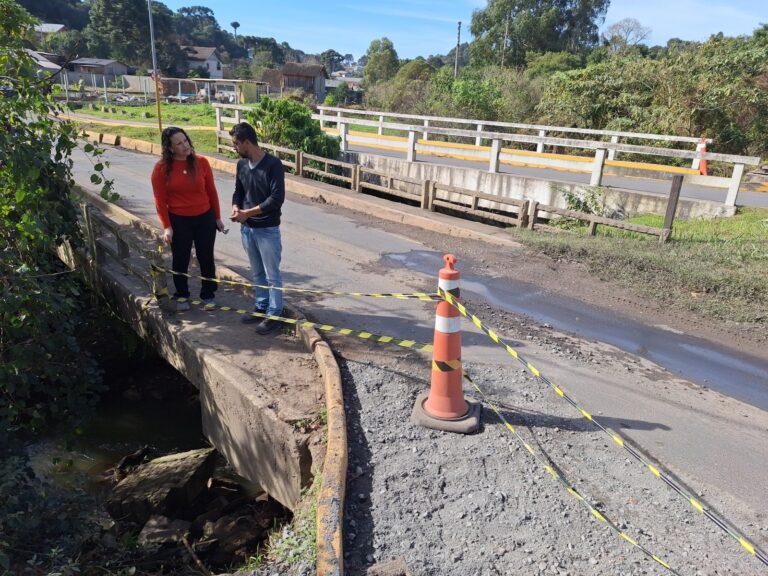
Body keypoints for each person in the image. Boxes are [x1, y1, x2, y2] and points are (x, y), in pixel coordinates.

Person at [151, 126, 225, 311]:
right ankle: (182, 295)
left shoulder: (201, 162)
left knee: (206, 257)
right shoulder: (161, 169)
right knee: (180, 259)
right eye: (179, 143)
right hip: (179, 220)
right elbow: (160, 200)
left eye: (185, 141)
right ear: (170, 148)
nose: (185, 145)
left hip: (205, 218)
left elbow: (211, 191)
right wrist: (167, 226)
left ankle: (208, 294)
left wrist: (217, 217)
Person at [229, 122, 285, 335]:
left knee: (272, 274)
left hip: (267, 229)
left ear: (247, 142)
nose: (234, 147)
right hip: (247, 229)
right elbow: (238, 191)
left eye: (236, 143)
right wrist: (236, 207)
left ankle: (275, 314)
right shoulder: (242, 165)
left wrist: (248, 213)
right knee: (257, 272)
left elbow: (276, 199)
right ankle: (261, 307)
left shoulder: (273, 164)